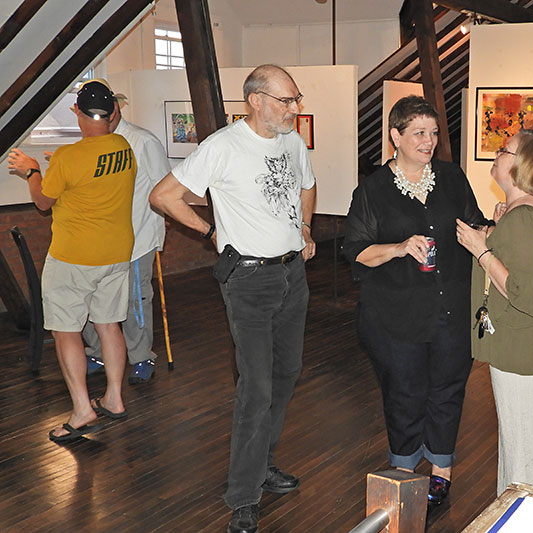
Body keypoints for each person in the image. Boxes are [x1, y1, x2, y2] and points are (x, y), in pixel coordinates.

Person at [149, 64, 316, 533]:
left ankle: (263, 465)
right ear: (256, 101)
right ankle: (243, 494)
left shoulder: (292, 143)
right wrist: (212, 232)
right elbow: (164, 196)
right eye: (286, 101)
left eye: (296, 98)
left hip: (292, 274)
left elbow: (307, 184)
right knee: (256, 387)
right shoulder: (222, 146)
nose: (294, 109)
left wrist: (303, 227)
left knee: (286, 374)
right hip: (248, 281)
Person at [342, 95, 488, 506]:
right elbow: (357, 250)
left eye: (434, 133)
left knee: (447, 388)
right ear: (396, 136)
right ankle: (404, 469)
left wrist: (490, 229)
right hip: (395, 314)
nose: (429, 141)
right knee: (404, 391)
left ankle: (441, 471)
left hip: (450, 309)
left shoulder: (451, 177)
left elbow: (471, 225)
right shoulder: (372, 190)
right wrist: (399, 246)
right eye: (419, 133)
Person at [7, 81, 136, 442]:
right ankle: (114, 398)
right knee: (109, 325)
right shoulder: (123, 147)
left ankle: (82, 410)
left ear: (76, 112)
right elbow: (92, 173)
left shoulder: (68, 158)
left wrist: (33, 171)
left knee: (66, 331)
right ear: (113, 113)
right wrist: (59, 169)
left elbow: (43, 202)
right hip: (116, 254)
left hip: (74, 258)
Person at [455, 129, 533, 496]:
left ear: (524, 164)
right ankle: (513, 511)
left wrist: (480, 249)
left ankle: (524, 516)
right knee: (523, 441)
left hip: (522, 349)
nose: (497, 153)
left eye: (505, 150)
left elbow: (526, 294)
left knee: (522, 447)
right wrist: (496, 232)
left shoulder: (524, 218)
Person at [81, 80, 171, 385]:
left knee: (135, 300)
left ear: (116, 109)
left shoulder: (142, 141)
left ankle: (141, 355)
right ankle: (97, 351)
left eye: (104, 113)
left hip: (137, 237)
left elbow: (163, 186)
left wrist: (163, 221)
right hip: (99, 238)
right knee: (95, 298)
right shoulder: (91, 143)